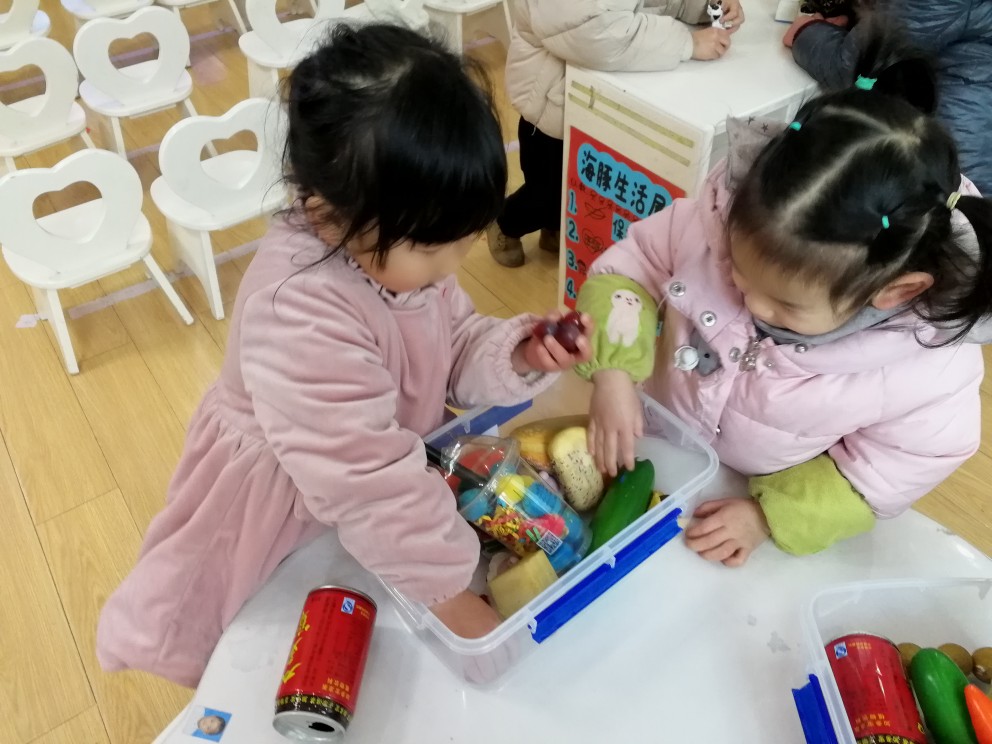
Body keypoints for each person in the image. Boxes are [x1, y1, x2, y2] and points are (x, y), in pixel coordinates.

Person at [95, 23, 592, 687]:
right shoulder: (296, 308)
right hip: (278, 504)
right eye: (434, 248)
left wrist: (521, 352)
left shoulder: (395, 249)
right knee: (258, 648)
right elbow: (367, 482)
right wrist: (451, 595)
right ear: (328, 215)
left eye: (464, 240)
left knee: (364, 621)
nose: (452, 267)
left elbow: (453, 347)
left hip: (367, 494)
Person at [574, 26, 992, 567]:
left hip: (753, 491)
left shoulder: (926, 365)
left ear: (895, 290)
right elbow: (632, 269)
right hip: (658, 434)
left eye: (787, 306)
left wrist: (770, 515)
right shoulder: (715, 221)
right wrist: (612, 371)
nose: (752, 306)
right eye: (738, 274)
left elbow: (898, 463)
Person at [487, 0, 744, 268]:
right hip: (554, 103)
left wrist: (708, 6)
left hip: (608, 90)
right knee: (549, 191)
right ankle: (506, 222)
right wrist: (686, 42)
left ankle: (554, 227)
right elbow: (590, 30)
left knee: (585, 190)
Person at [783, 0, 992, 194]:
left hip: (949, 153)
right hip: (961, 134)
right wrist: (856, 28)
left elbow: (851, 68)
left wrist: (806, 30)